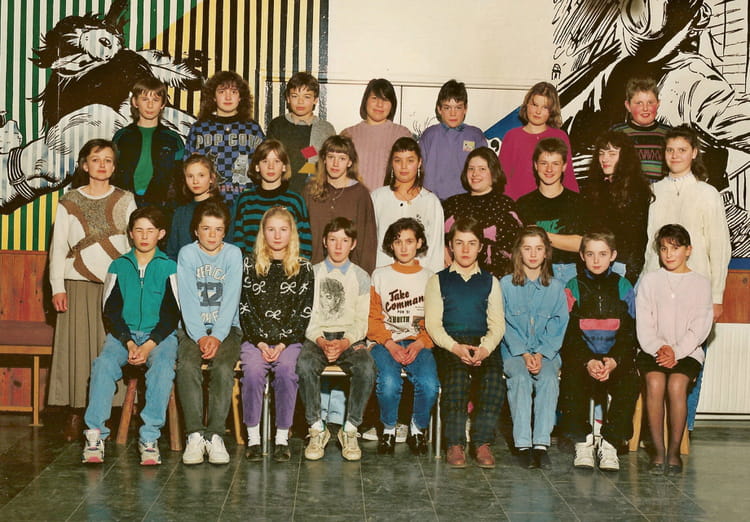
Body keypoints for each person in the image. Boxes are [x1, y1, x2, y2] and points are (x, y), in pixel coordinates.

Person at [642, 124, 730, 432]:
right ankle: (655, 433)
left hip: (697, 292)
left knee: (690, 355)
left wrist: (716, 296)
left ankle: (684, 428)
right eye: (670, 150)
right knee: (658, 354)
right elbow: (650, 245)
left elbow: (720, 247)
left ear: (694, 153)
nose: (675, 155)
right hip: (659, 289)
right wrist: (645, 286)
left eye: (682, 150)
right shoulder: (655, 191)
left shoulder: (708, 194)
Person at [48, 139, 136, 442]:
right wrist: (57, 287)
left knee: (109, 349)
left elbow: (134, 244)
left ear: (115, 166)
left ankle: (107, 412)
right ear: (85, 165)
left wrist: (133, 284)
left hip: (115, 286)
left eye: (108, 160)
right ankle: (75, 412)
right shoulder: (69, 200)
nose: (102, 165)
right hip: (77, 283)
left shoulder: (126, 199)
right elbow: (58, 247)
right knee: (76, 349)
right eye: (96, 159)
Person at [82, 207, 179, 466]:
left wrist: (148, 345)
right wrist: (127, 341)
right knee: (103, 364)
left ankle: (149, 438)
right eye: (139, 230)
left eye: (150, 231)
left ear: (161, 234)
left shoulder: (169, 267)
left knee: (163, 368)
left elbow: (172, 313)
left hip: (159, 337)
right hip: (123, 336)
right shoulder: (118, 266)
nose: (144, 236)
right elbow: (111, 311)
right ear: (131, 234)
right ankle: (95, 435)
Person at [424, 217, 506, 469]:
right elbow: (433, 325)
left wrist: (485, 349)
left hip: (482, 344)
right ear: (450, 246)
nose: (465, 249)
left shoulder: (490, 281)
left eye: (472, 243)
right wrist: (455, 348)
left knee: (493, 379)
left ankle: (481, 442)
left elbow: (497, 325)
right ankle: (455, 443)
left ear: (480, 246)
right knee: (457, 378)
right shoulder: (438, 280)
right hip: (450, 344)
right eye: (459, 243)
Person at [296, 217, 376, 462]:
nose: (338, 246)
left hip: (349, 338)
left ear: (353, 244)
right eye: (333, 240)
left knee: (366, 367)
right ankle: (316, 427)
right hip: (317, 336)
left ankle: (350, 428)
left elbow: (362, 320)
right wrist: (321, 341)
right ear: (324, 242)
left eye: (344, 240)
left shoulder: (361, 276)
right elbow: (307, 315)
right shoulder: (312, 273)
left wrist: (346, 342)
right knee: (304, 365)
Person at [558, 231, 639, 472]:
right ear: (582, 256)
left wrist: (614, 361)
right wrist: (587, 361)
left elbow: (629, 333)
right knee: (571, 380)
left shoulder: (623, 286)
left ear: (613, 256)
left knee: (630, 382)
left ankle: (610, 442)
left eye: (602, 254)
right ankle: (582, 441)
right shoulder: (573, 286)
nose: (596, 260)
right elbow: (570, 335)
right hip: (584, 358)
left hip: (614, 358)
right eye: (590, 254)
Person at [239, 206, 314, 462]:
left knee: (286, 371)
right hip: (255, 339)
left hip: (289, 340)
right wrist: (260, 342)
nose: (277, 235)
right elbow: (245, 308)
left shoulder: (303, 268)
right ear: (263, 232)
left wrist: (282, 343)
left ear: (292, 233)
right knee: (252, 372)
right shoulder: (249, 265)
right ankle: (253, 439)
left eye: (283, 229)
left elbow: (303, 312)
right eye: (271, 229)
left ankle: (282, 438)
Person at [637, 224, 713, 475]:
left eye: (676, 248)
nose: (669, 254)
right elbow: (644, 324)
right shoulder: (650, 281)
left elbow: (700, 327)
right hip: (653, 350)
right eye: (664, 249)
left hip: (688, 351)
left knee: (677, 385)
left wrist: (676, 351)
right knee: (655, 383)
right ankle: (658, 453)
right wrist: (659, 348)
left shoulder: (701, 283)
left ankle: (673, 453)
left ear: (688, 250)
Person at [176, 199, 243, 465]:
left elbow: (231, 300)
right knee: (186, 366)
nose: (212, 235)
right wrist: (201, 336)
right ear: (196, 231)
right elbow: (187, 299)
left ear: (225, 231)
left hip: (227, 328)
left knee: (224, 369)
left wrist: (216, 335)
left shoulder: (233, 254)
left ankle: (215, 435)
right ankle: (194, 435)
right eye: (206, 229)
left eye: (218, 229)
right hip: (192, 329)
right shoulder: (187, 254)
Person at [369, 218, 439, 456]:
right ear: (391, 245)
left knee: (429, 384)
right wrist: (389, 344)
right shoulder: (380, 275)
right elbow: (372, 318)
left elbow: (435, 320)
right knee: (389, 383)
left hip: (419, 342)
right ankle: (389, 430)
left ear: (419, 243)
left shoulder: (430, 277)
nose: (404, 247)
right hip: (386, 342)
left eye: (409, 241)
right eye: (398, 241)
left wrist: (421, 344)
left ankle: (417, 430)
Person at [500, 226, 569, 469]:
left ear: (546, 253)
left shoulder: (556, 287)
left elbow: (559, 325)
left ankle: (541, 445)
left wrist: (541, 353)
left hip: (546, 352)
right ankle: (523, 445)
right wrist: (523, 352)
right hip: (514, 351)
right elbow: (502, 323)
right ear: (518, 252)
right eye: (527, 248)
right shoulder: (505, 285)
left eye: (538, 249)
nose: (532, 254)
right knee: (520, 378)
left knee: (548, 378)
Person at [581, 131, 653, 284]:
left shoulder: (637, 191)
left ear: (625, 157)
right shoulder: (593, 188)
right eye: (601, 153)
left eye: (612, 154)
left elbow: (639, 241)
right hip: (594, 266)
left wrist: (628, 281)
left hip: (623, 268)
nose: (605, 159)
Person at [185, 71, 265, 205]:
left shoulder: (252, 128)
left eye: (233, 92)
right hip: (209, 203)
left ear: (241, 97)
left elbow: (265, 165)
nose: (228, 97)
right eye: (222, 92)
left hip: (246, 202)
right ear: (213, 97)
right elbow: (188, 167)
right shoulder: (199, 129)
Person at [442, 147, 524, 278]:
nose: (475, 174)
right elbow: (434, 237)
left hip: (495, 279)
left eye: (482, 169)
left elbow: (515, 249)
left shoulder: (506, 206)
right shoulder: (452, 204)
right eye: (471, 169)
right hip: (455, 278)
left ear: (493, 172)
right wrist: (443, 249)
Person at [303, 134, 377, 273]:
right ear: (324, 159)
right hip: (313, 270)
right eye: (331, 157)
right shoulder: (310, 191)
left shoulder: (360, 194)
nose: (335, 164)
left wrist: (364, 277)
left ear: (350, 162)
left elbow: (367, 242)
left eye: (342, 158)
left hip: (349, 274)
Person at [516, 138, 586, 284]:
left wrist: (541, 234)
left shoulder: (578, 202)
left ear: (564, 166)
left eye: (555, 164)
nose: (549, 169)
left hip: (571, 273)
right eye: (544, 163)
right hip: (535, 273)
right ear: (535, 165)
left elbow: (583, 244)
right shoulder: (523, 204)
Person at [371, 137, 444, 273]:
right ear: (392, 163)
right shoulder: (377, 198)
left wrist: (432, 281)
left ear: (419, 162)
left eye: (410, 160)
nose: (404, 166)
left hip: (420, 279)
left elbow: (436, 252)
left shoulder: (430, 202)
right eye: (398, 160)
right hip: (383, 277)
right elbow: (368, 244)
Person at [231, 139, 313, 258]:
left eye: (276, 161)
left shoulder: (295, 201)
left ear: (284, 167)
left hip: (288, 266)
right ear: (257, 167)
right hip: (252, 266)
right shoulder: (245, 200)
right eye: (265, 161)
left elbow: (305, 244)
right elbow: (237, 243)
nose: (271, 167)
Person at [112, 77, 185, 209]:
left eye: (155, 100)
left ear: (163, 104)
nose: (150, 105)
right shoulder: (122, 136)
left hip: (160, 206)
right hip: (124, 203)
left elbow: (179, 179)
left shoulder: (173, 139)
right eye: (145, 99)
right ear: (135, 102)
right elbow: (113, 172)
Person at [499, 82, 579, 200]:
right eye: (534, 105)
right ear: (527, 105)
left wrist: (576, 203)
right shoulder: (512, 136)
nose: (538, 111)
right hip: (518, 204)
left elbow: (568, 176)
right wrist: (509, 205)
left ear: (552, 111)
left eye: (545, 107)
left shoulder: (560, 136)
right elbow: (502, 178)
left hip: (553, 204)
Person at [266, 72, 336, 194]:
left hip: (314, 191)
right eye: (295, 96)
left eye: (307, 97)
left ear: (315, 100)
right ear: (288, 98)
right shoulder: (277, 125)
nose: (300, 101)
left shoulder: (325, 129)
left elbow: (328, 162)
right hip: (280, 190)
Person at [419, 79, 488, 200]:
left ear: (465, 109)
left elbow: (485, 174)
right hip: (434, 201)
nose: (453, 113)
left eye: (458, 107)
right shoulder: (429, 135)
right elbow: (419, 172)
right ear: (439, 109)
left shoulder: (476, 136)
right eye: (447, 108)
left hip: (467, 201)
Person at [341, 78, 411, 191]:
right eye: (374, 98)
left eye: (385, 99)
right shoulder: (348, 134)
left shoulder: (402, 134)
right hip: (354, 199)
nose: (379, 104)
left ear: (392, 105)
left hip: (389, 199)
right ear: (365, 101)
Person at [610, 77, 671, 183]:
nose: (645, 108)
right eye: (639, 103)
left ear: (658, 104)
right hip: (627, 189)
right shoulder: (616, 132)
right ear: (628, 106)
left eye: (650, 102)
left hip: (662, 190)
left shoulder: (669, 134)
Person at [166, 153, 222, 260]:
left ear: (212, 178)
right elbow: (172, 252)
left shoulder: (224, 210)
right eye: (190, 176)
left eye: (201, 175)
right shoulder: (181, 212)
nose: (195, 181)